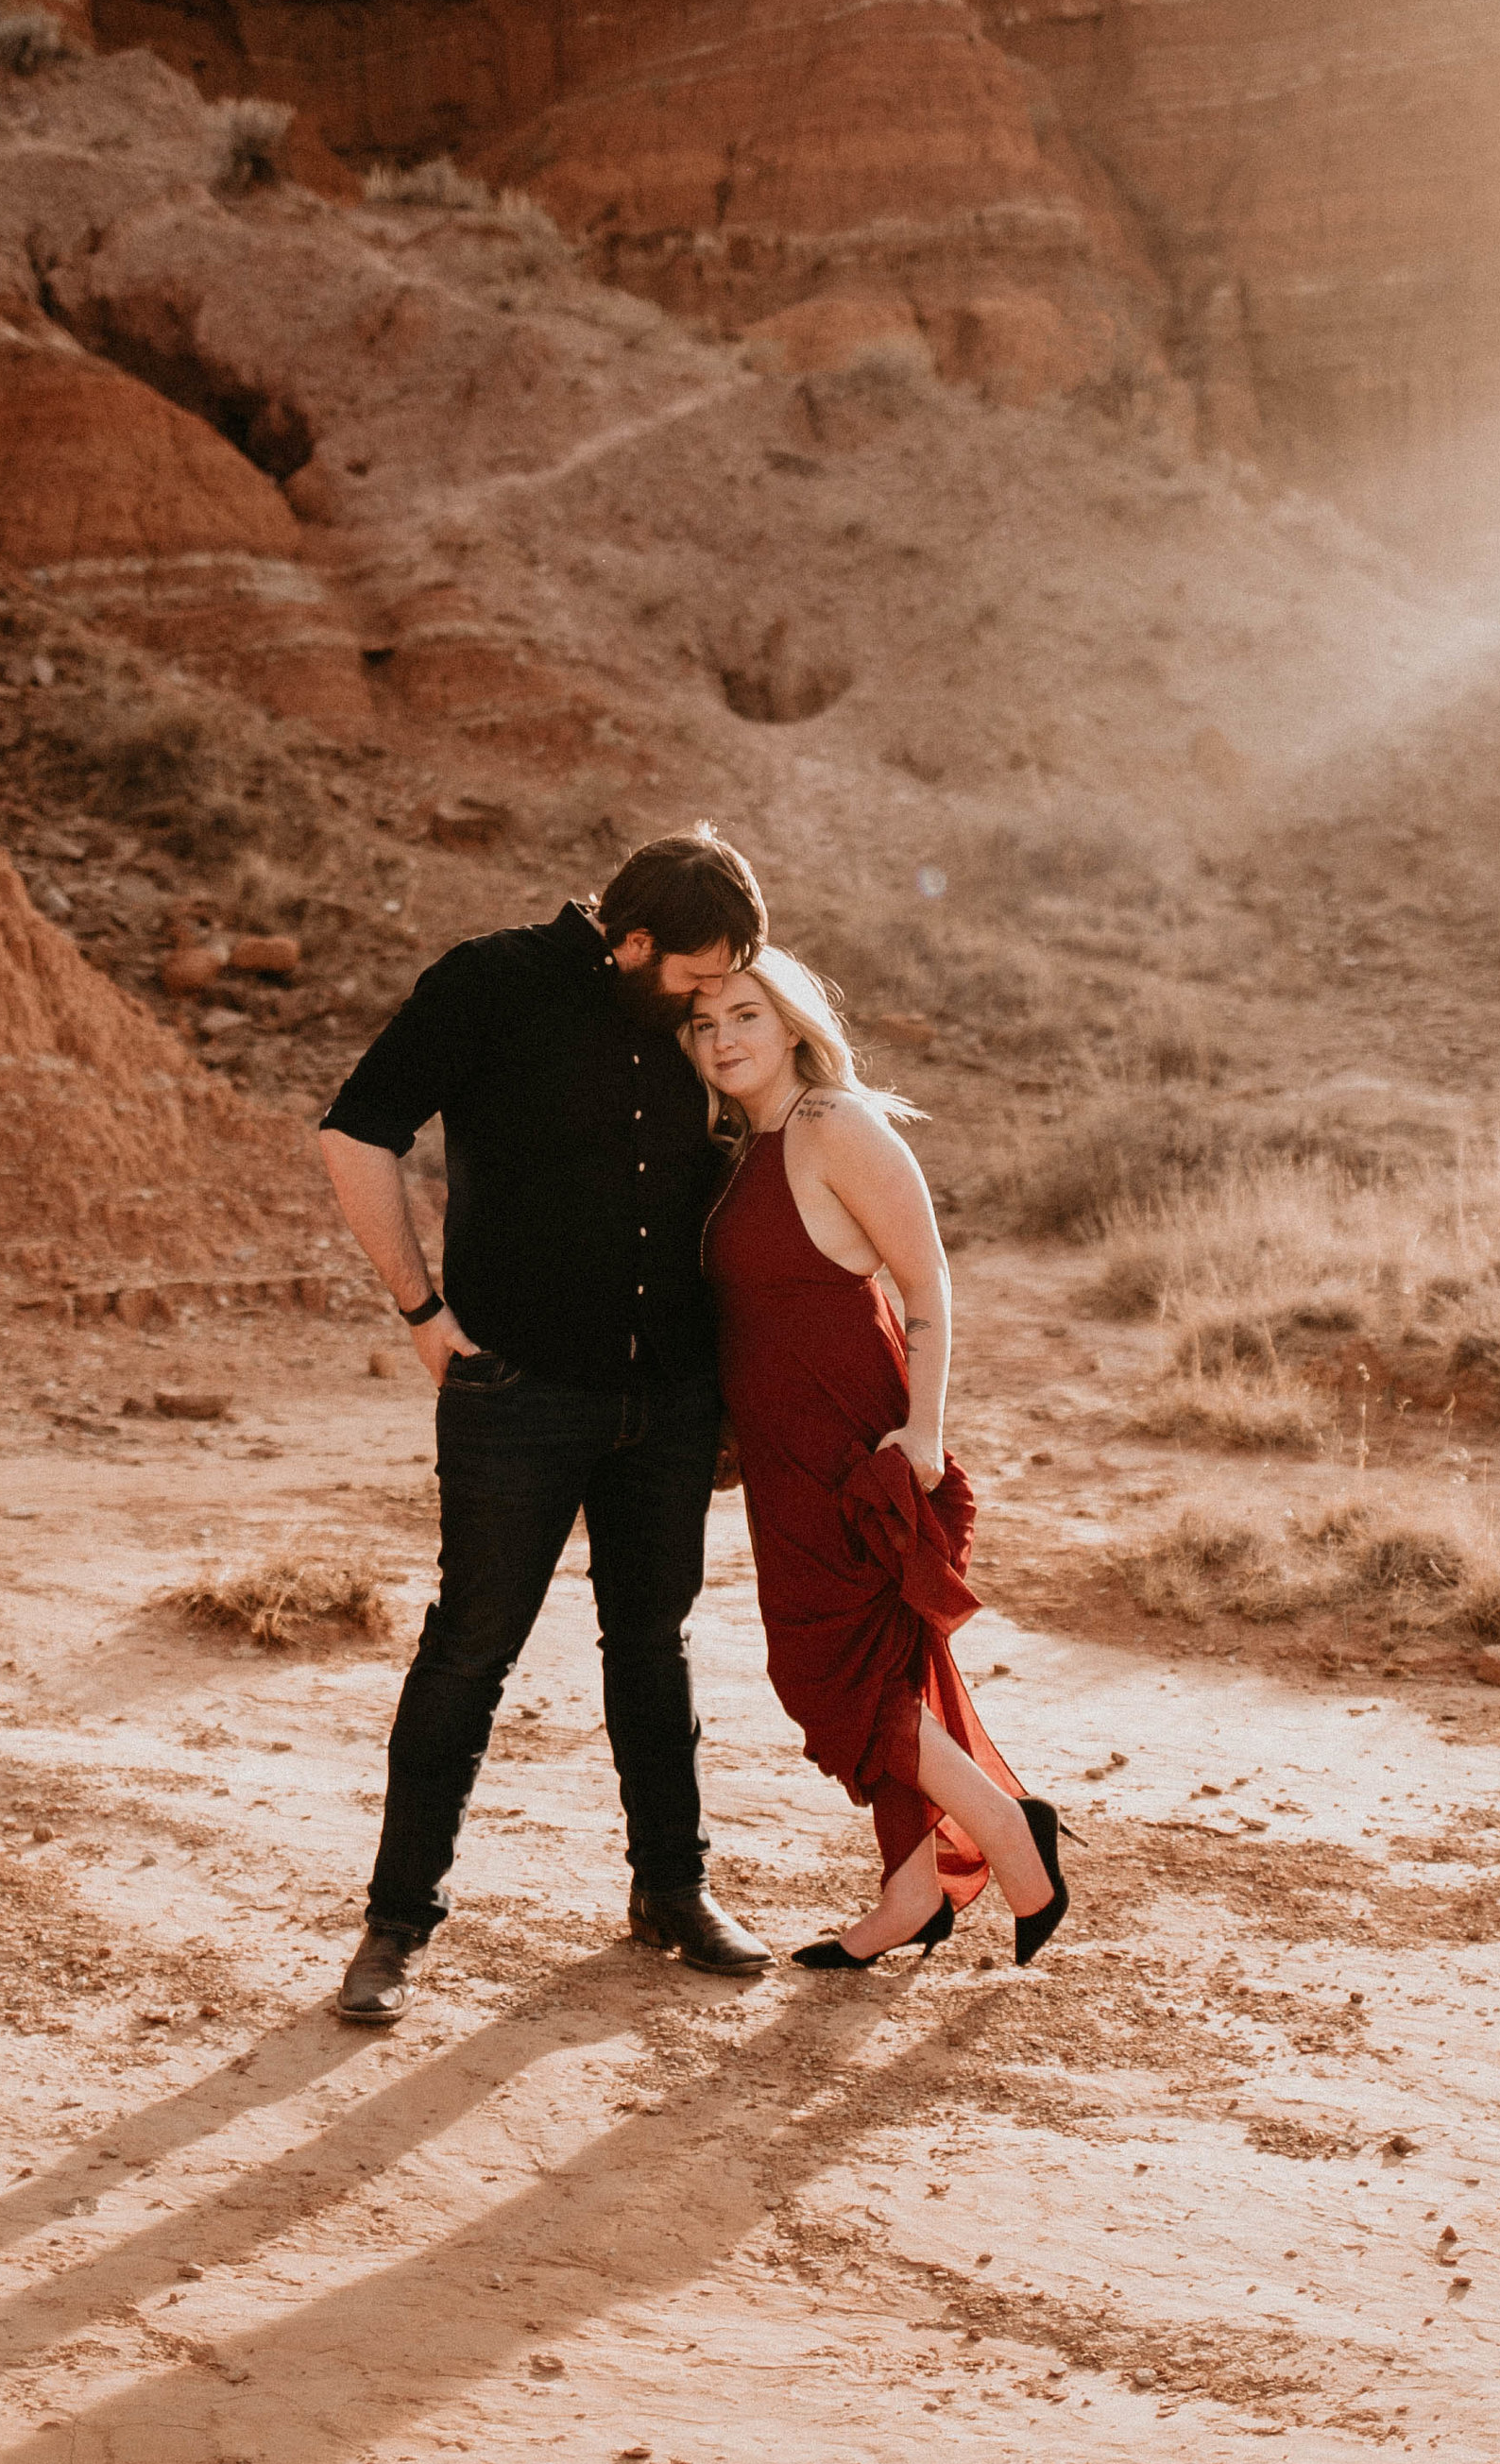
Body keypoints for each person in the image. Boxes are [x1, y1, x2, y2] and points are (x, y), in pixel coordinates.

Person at [317, 827, 776, 2028]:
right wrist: (421, 1308)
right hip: (516, 1389)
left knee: (653, 1641)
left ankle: (671, 1890)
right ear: (630, 943)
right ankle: (395, 1927)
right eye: (694, 976)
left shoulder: (708, 1014)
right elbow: (356, 1130)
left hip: (669, 1393)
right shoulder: (492, 982)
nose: (713, 1002)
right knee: (468, 1651)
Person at [691, 952, 1068, 1968]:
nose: (724, 1037)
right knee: (871, 1672)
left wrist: (926, 1429)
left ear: (791, 1023)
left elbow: (926, 1280)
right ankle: (910, 1897)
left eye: (744, 1015)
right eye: (703, 1023)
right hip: (782, 1458)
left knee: (826, 1675)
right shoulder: (743, 1144)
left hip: (857, 1442)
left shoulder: (830, 1123)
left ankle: (1005, 1827)